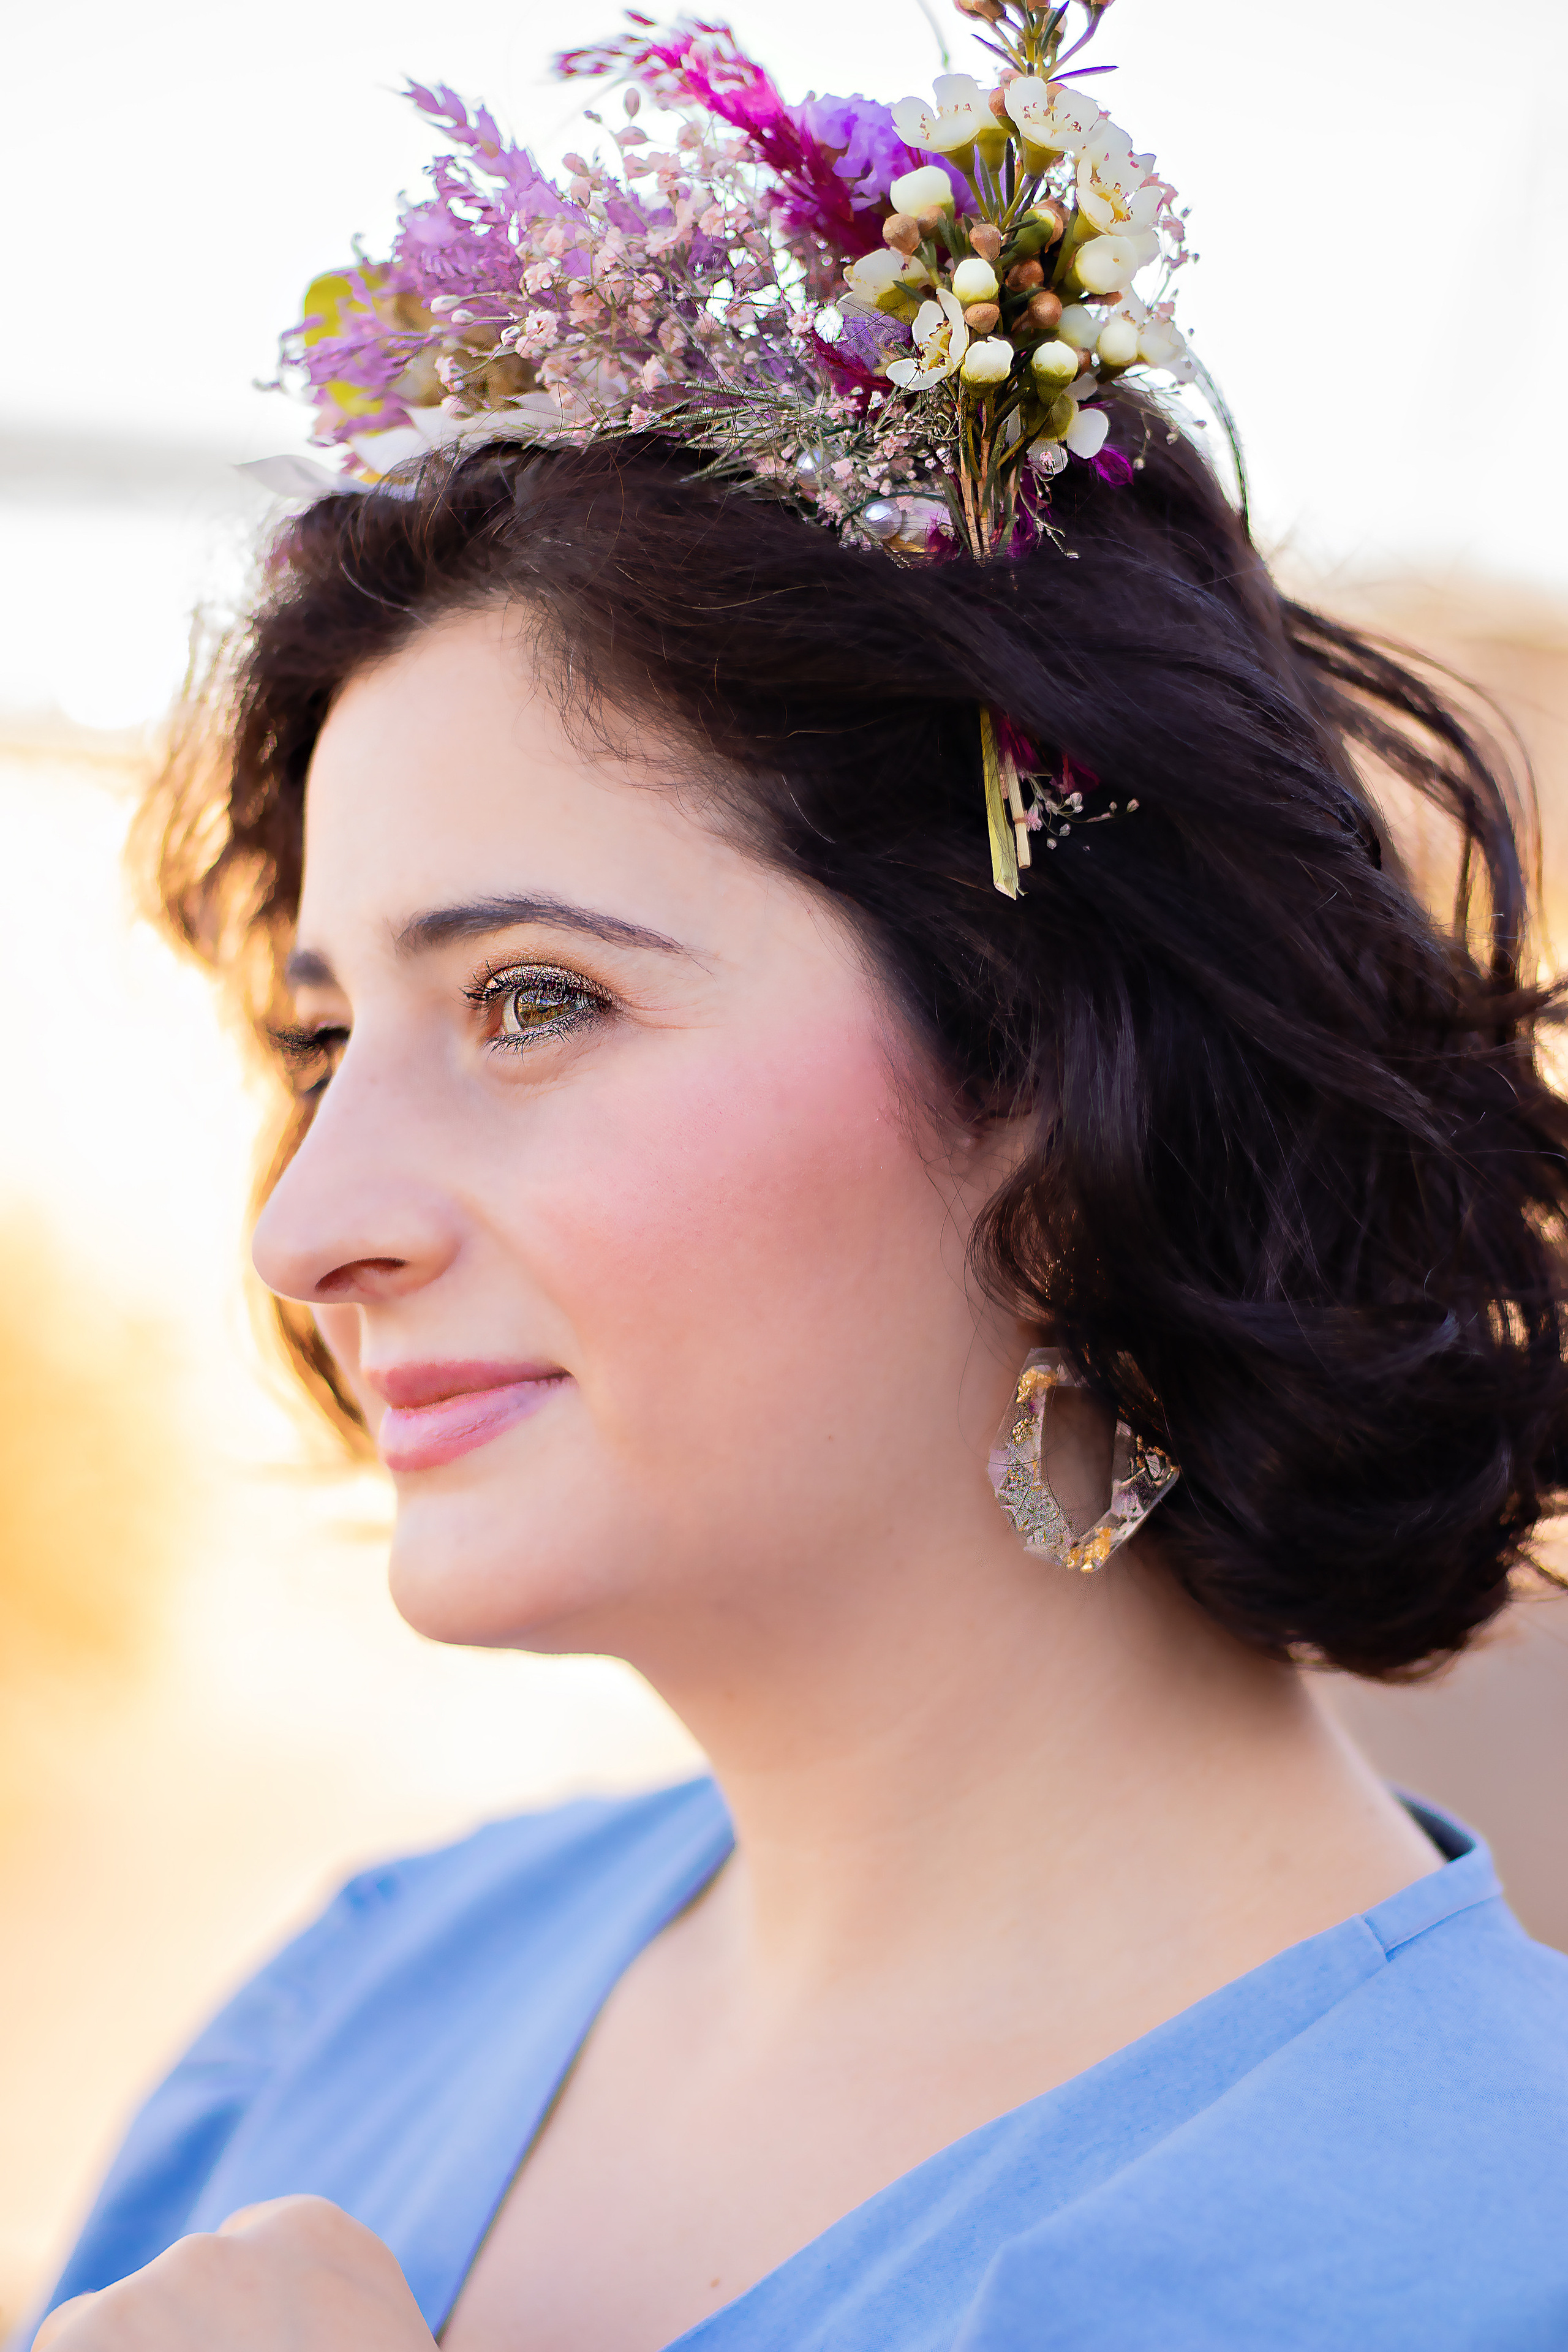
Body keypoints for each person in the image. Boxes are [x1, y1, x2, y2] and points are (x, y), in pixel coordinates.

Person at [29, 6, 1568, 2347]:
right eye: (332, 1036)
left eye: (535, 1000)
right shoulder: (348, 2010)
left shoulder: (1489, 2248)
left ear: (1045, 1054)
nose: (308, 1225)